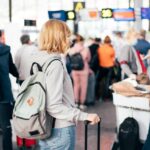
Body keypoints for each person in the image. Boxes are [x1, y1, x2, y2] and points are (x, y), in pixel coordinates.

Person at [30, 19, 100, 150]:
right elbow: (54, 105)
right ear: (58, 37)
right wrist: (85, 116)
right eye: (67, 36)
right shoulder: (55, 63)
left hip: (43, 127)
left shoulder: (37, 59)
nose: (70, 40)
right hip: (60, 130)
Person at [0, 30, 19, 150]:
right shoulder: (6, 51)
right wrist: (20, 76)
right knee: (6, 126)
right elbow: (12, 69)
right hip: (4, 94)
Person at [69, 34, 91, 109]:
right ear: (82, 41)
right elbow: (88, 59)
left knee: (76, 86)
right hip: (84, 69)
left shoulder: (72, 49)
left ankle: (76, 102)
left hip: (74, 70)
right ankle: (82, 103)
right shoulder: (86, 49)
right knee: (83, 86)